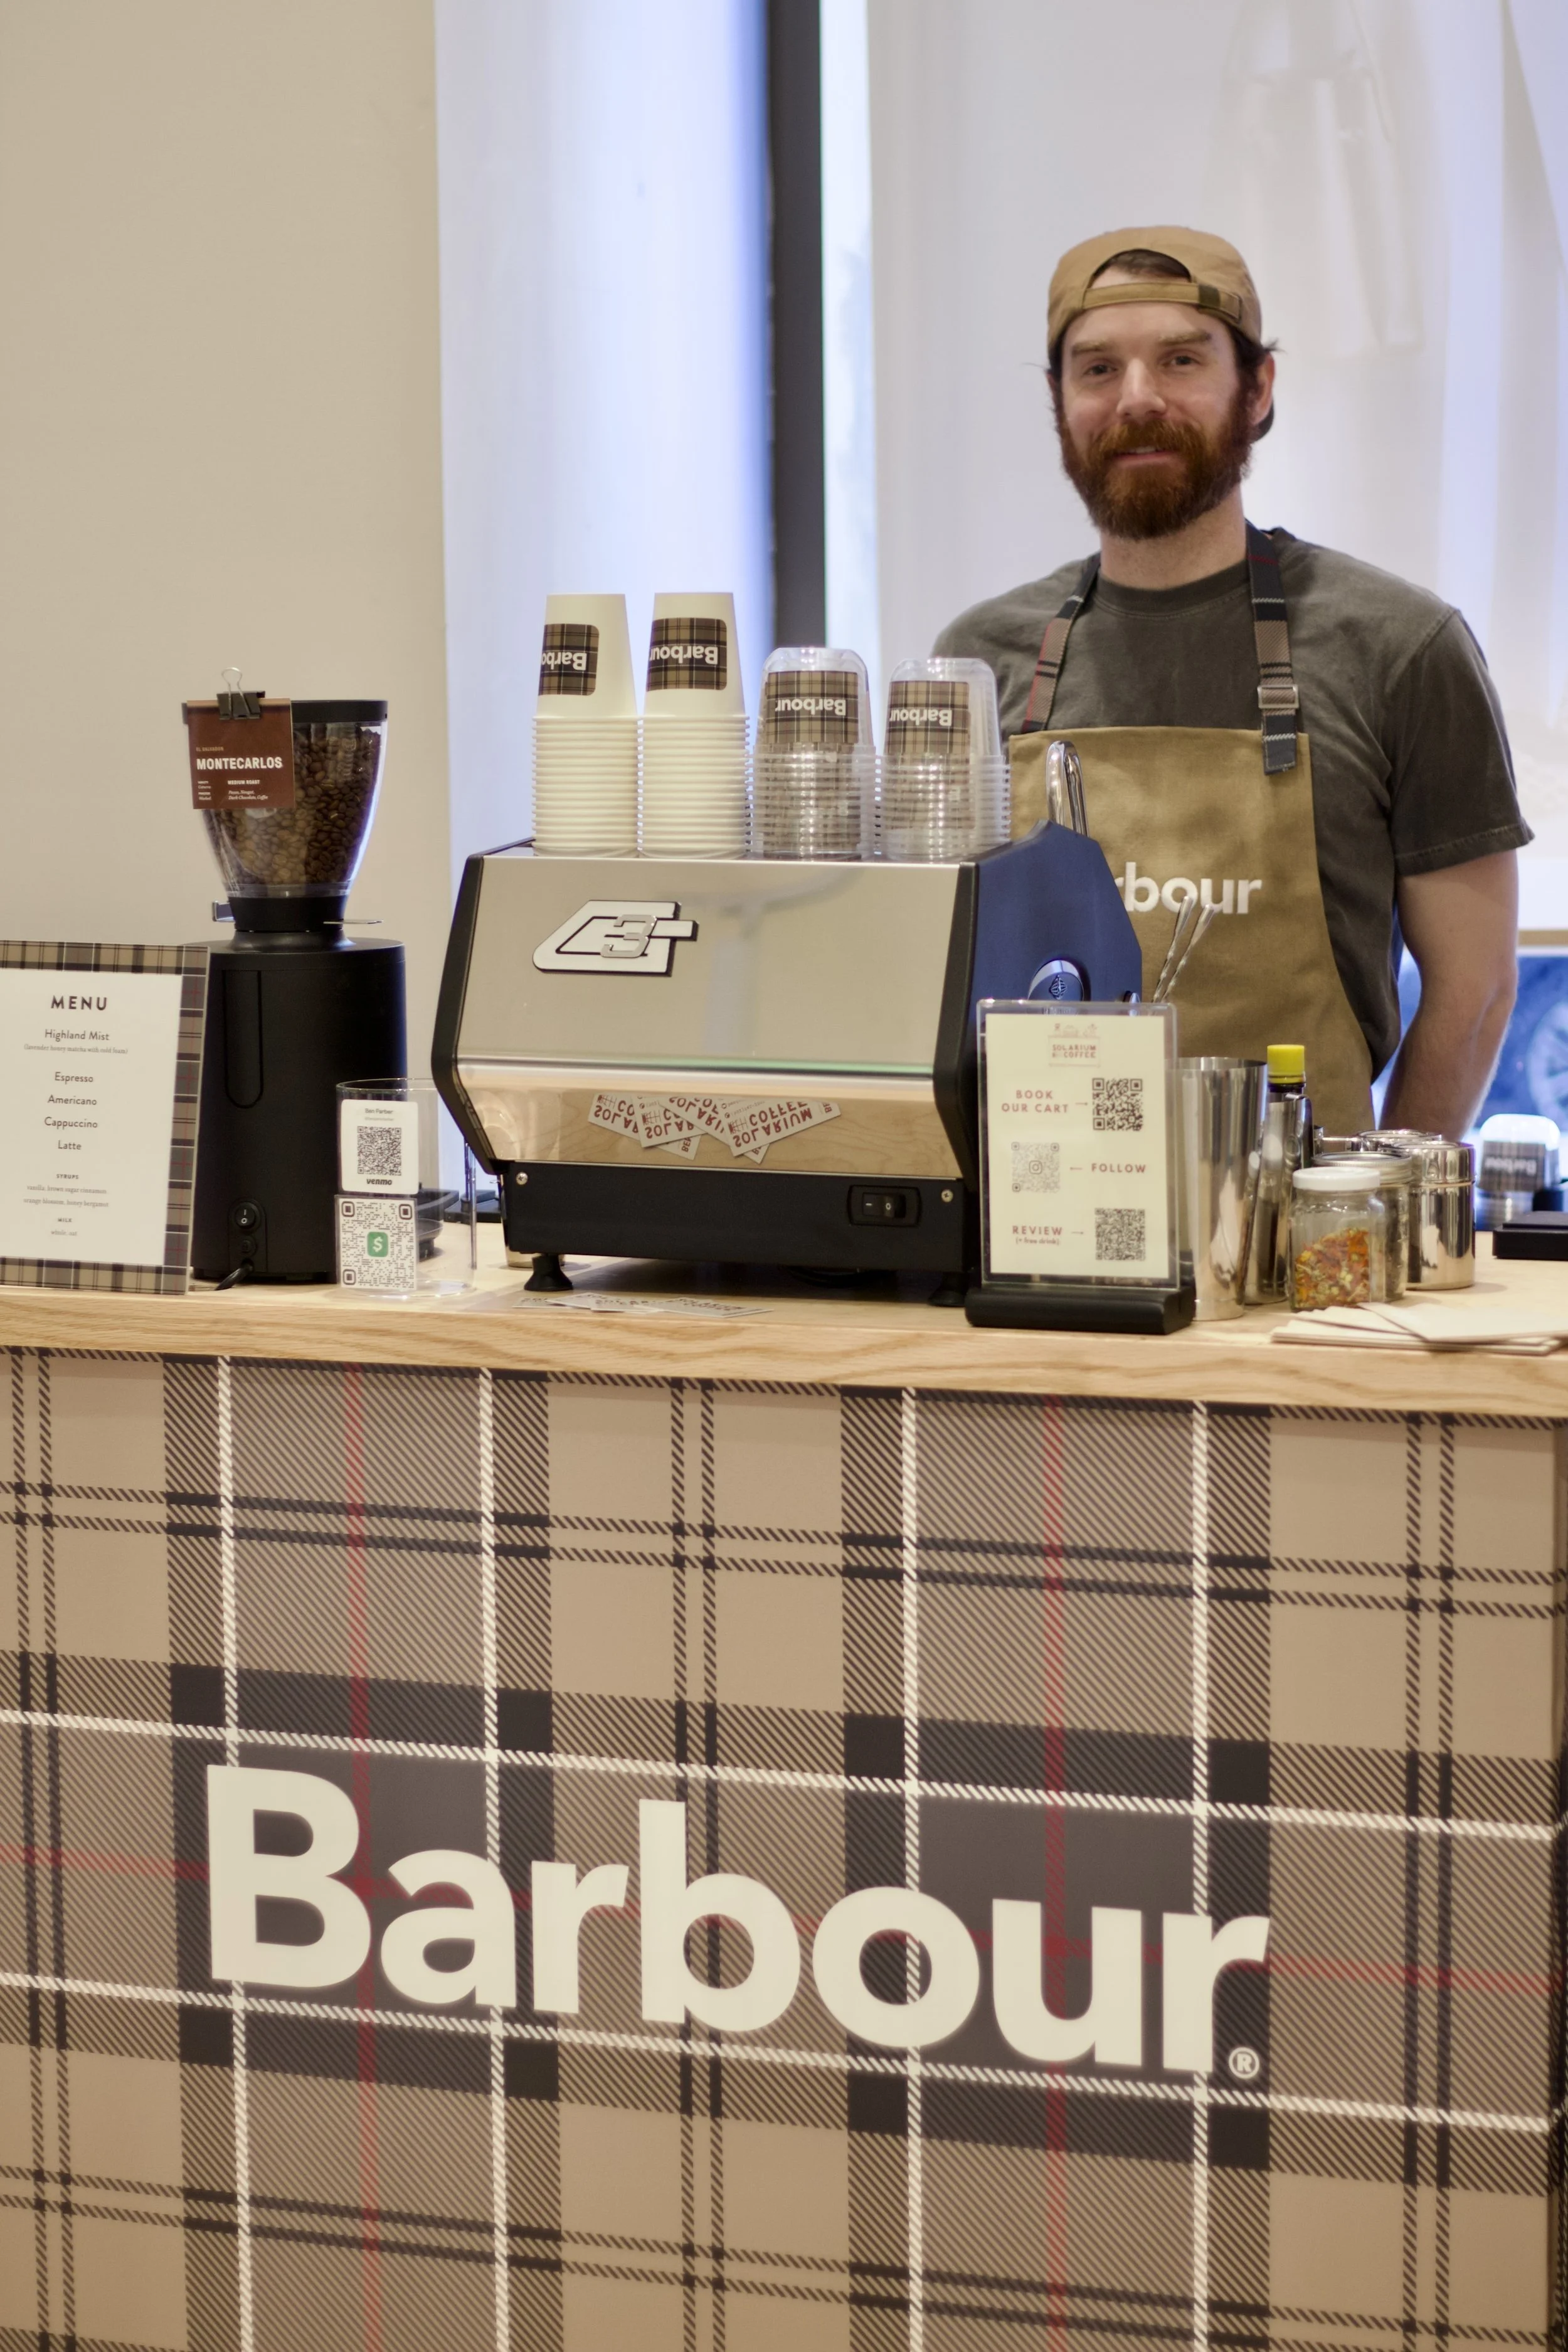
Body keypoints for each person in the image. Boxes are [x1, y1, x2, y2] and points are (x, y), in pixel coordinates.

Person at [934, 226, 1527, 1136]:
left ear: (1257, 391)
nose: (1137, 399)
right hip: (1037, 1236)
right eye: (1098, 370)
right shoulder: (976, 661)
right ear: (1059, 403)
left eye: (1180, 360)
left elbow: (1477, 988)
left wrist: (1376, 1205)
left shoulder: (1402, 648)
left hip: (1314, 1254)